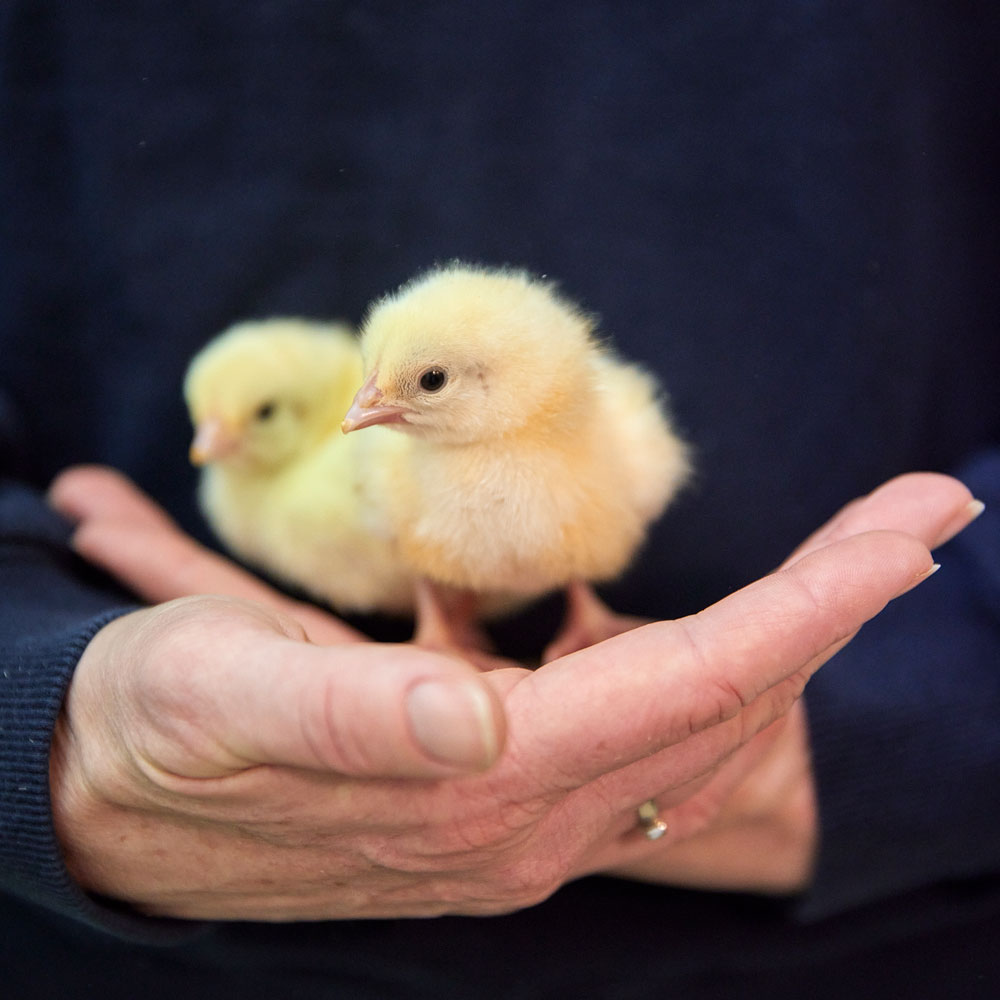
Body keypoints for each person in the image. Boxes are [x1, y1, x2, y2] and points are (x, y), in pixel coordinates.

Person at [2, 2, 998, 997]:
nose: (367, 410)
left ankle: (578, 608)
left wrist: (917, 718)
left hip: (882, 945)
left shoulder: (588, 430)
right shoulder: (395, 452)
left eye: (417, 386)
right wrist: (36, 721)